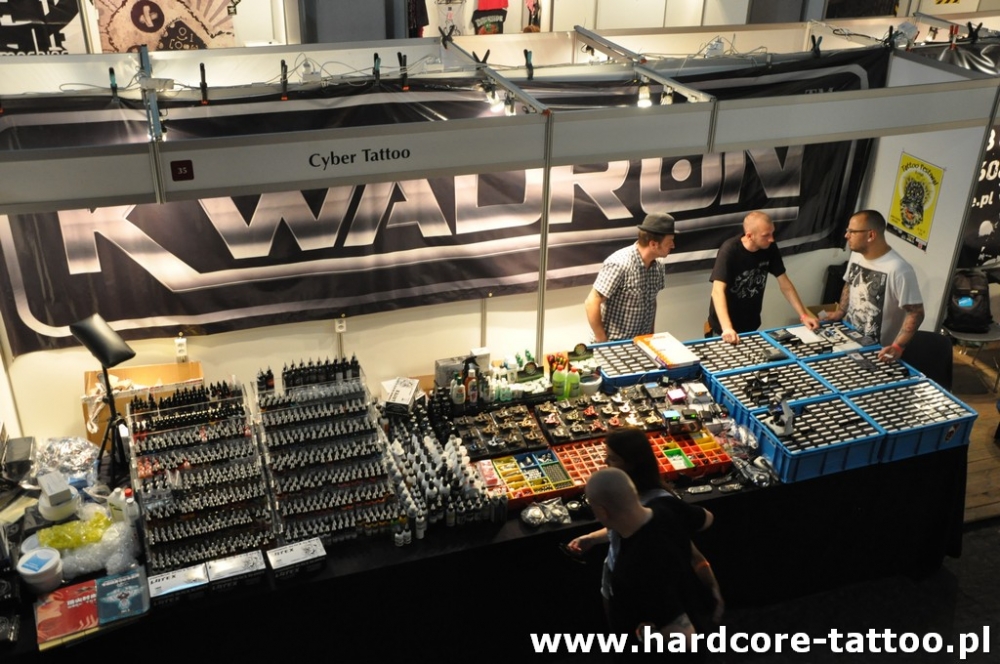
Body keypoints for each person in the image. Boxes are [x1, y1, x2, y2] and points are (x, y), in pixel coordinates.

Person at [567, 430, 723, 631]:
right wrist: (592, 538)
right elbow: (704, 519)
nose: (605, 461)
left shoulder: (637, 565)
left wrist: (711, 586)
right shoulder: (654, 510)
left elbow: (678, 629)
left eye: (612, 458)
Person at [583, 468, 710, 655]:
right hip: (692, 606)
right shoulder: (666, 505)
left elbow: (684, 639)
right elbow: (707, 518)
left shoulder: (632, 569)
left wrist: (645, 634)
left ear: (602, 511)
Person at [825, 209, 925, 363]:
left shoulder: (899, 269)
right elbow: (849, 283)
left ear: (871, 235)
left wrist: (898, 346)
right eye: (847, 230)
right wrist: (840, 312)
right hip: (849, 340)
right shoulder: (856, 254)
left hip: (878, 353)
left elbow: (916, 312)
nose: (846, 235)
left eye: (852, 232)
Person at [707, 211, 820, 344]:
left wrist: (804, 315)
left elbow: (785, 285)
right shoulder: (730, 250)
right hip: (724, 329)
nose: (771, 239)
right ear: (749, 236)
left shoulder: (769, 248)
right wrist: (727, 328)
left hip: (751, 325)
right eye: (766, 235)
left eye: (772, 233)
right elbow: (717, 291)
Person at [585, 213, 677, 342]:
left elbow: (652, 301)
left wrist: (651, 334)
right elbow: (591, 302)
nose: (673, 245)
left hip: (641, 342)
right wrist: (601, 340)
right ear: (653, 244)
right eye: (669, 241)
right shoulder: (619, 263)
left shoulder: (659, 265)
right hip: (612, 343)